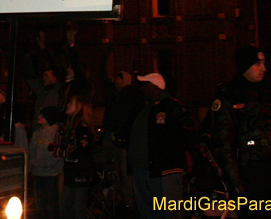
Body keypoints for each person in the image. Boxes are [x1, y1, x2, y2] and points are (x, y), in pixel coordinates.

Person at [211, 46, 271, 217]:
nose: (263, 69)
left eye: (264, 63)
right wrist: (236, 183)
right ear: (245, 66)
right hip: (250, 173)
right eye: (258, 64)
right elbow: (223, 144)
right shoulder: (229, 96)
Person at [127, 73, 193, 219]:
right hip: (141, 170)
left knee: (169, 211)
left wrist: (179, 159)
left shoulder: (172, 107)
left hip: (164, 172)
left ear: (156, 88)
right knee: (147, 210)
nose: (142, 89)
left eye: (146, 86)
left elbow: (187, 133)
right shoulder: (143, 108)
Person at [99, 48, 143, 209]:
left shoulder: (131, 94)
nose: (116, 80)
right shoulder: (112, 93)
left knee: (124, 170)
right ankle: (112, 196)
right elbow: (103, 77)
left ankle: (128, 199)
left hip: (122, 136)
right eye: (116, 77)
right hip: (109, 133)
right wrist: (105, 57)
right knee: (108, 166)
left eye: (120, 78)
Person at [50, 96, 95, 219]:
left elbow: (78, 151)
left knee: (76, 207)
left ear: (79, 107)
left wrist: (60, 151)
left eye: (71, 103)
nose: (68, 104)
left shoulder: (82, 128)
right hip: (71, 172)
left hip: (79, 173)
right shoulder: (70, 126)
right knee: (66, 206)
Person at [30, 106, 64, 219]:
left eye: (43, 115)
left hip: (50, 174)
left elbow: (56, 156)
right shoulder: (37, 133)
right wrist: (33, 163)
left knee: (51, 203)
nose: (39, 117)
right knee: (40, 203)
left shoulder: (56, 133)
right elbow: (31, 151)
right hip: (37, 173)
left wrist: (42, 164)